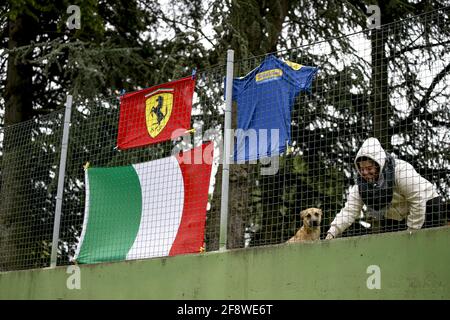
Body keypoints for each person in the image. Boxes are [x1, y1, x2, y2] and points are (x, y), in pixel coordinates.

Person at [325, 137, 445, 239]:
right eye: (361, 169)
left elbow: (417, 199)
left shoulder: (401, 170)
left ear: (379, 164)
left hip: (427, 205)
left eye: (369, 168)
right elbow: (349, 211)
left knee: (430, 244)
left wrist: (412, 232)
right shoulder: (360, 187)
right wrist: (332, 232)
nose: (365, 172)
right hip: (396, 217)